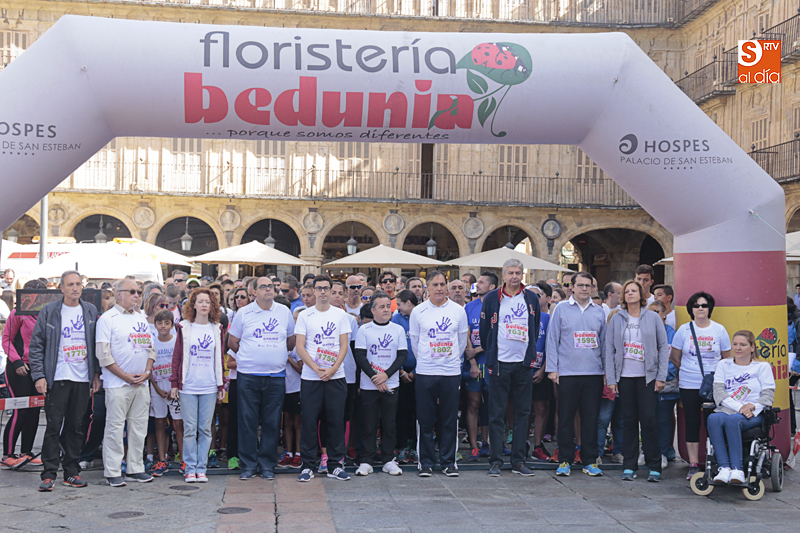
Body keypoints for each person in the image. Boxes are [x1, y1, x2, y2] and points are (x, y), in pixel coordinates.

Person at [29, 271, 100, 491]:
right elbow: (36, 345)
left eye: (78, 284)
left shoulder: (90, 310)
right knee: (52, 426)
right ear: (61, 288)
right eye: (70, 284)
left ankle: (71, 472)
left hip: (81, 377)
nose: (75, 288)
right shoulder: (50, 311)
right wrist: (39, 375)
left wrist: (95, 374)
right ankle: (48, 474)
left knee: (76, 427)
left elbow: (96, 344)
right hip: (57, 377)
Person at [228, 277, 295, 480]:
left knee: (272, 422)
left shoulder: (284, 312)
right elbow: (232, 342)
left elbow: (291, 340)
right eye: (263, 287)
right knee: (247, 421)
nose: (268, 289)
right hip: (248, 375)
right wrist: (250, 357)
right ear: (254, 292)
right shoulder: (244, 312)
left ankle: (267, 465)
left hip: (276, 375)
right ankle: (248, 465)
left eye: (270, 286)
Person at [480, 259, 540, 477]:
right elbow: (485, 328)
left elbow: (534, 327)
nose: (515, 276)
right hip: (499, 364)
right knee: (496, 413)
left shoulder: (531, 298)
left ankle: (518, 461)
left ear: (523, 275)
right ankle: (496, 461)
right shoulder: (492, 298)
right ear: (503, 275)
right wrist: (492, 354)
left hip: (523, 364)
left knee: (523, 412)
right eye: (511, 273)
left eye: (518, 272)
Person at [605, 280, 669, 482]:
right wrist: (611, 379)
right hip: (625, 377)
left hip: (647, 378)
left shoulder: (652, 317)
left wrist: (661, 377)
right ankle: (629, 465)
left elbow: (663, 347)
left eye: (634, 291)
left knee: (648, 421)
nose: (631, 294)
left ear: (641, 294)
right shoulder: (617, 318)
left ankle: (654, 466)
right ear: (622, 296)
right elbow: (609, 349)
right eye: (627, 291)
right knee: (628, 421)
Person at [97, 278, 156, 487]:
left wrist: (147, 371)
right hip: (117, 384)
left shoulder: (141, 317)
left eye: (139, 292)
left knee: (139, 427)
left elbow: (150, 348)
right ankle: (112, 470)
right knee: (114, 428)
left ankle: (135, 467)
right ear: (118, 293)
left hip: (140, 382)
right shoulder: (107, 318)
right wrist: (124, 376)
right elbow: (103, 355)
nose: (137, 295)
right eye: (132, 291)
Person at [546, 271, 606, 477]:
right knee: (565, 417)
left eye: (587, 286)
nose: (584, 289)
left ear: (592, 288)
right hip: (567, 373)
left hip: (593, 372)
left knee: (591, 418)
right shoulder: (561, 309)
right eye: (580, 285)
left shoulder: (599, 312)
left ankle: (590, 460)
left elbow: (604, 343)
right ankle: (564, 459)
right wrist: (552, 369)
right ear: (572, 287)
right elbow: (552, 340)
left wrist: (607, 371)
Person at [410, 270, 469, 477]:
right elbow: (415, 342)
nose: (439, 288)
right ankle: (425, 463)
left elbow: (462, 341)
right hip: (426, 371)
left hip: (450, 372)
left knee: (449, 419)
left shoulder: (458, 311)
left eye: (442, 284)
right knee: (425, 420)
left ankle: (448, 462)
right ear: (427, 287)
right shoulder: (418, 312)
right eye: (434, 284)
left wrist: (451, 359)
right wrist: (426, 360)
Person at [295, 275, 352, 482]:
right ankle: (308, 465)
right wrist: (316, 369)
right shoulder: (305, 315)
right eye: (319, 288)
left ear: (330, 290)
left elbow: (344, 345)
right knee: (310, 421)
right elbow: (300, 347)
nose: (322, 292)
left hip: (336, 377)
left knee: (335, 421)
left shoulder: (340, 315)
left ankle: (335, 464)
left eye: (326, 288)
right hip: (311, 377)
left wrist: (334, 368)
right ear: (313, 290)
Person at [670, 291, 731, 480]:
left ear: (709, 308)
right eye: (696, 305)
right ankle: (693, 463)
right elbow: (674, 356)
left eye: (704, 305)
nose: (700, 309)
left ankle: (717, 461)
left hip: (713, 385)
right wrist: (688, 369)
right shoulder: (684, 330)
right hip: (689, 384)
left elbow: (727, 358)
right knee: (692, 423)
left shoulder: (719, 330)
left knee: (713, 423)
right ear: (691, 309)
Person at [168, 288, 226, 483]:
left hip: (209, 385)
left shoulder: (217, 328)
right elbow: (177, 358)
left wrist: (220, 386)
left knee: (206, 429)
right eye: (200, 301)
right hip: (188, 386)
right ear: (193, 304)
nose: (203, 305)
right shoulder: (184, 327)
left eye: (207, 302)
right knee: (189, 428)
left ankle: (202, 468)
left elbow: (220, 359)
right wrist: (174, 383)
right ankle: (189, 468)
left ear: (212, 306)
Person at [707, 330, 775, 484]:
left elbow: (768, 394)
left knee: (733, 421)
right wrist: (740, 407)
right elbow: (719, 393)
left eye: (743, 345)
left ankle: (737, 469)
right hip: (729, 409)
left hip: (754, 413)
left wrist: (753, 406)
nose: (738, 348)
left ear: (752, 347)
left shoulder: (762, 367)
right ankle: (724, 468)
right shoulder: (724, 364)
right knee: (713, 418)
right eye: (735, 344)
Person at [353, 290, 407, 476]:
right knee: (368, 423)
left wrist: (386, 375)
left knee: (389, 423)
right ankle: (366, 459)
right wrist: (375, 377)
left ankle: (388, 459)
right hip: (369, 385)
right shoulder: (364, 330)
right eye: (382, 307)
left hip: (391, 384)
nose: (386, 310)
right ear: (373, 310)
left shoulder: (397, 329)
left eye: (388, 306)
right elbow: (360, 356)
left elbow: (402, 356)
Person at [1, 279, 46, 469]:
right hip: (19, 367)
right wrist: (17, 360)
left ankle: (27, 452)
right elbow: (6, 339)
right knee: (20, 409)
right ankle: (8, 454)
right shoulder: (16, 313)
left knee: (35, 409)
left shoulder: (47, 314)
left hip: (38, 368)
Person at [463, 271, 497, 461]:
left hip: (492, 363)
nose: (478, 284)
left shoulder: (498, 306)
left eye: (482, 282)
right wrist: (473, 360)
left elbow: (498, 335)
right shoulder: (469, 307)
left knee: (493, 405)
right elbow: (466, 334)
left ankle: (488, 443)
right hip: (474, 364)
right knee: (473, 404)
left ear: (491, 287)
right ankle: (474, 446)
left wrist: (479, 349)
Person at [148, 309, 182, 477]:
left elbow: (180, 366)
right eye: (160, 323)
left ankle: (184, 459)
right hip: (158, 389)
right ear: (155, 325)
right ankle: (161, 460)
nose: (163, 326)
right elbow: (149, 369)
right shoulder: (152, 343)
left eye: (166, 323)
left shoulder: (176, 341)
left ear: (171, 325)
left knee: (178, 424)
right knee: (159, 423)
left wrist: (173, 387)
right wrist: (157, 388)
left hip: (174, 389)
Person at [650, 300, 679, 467]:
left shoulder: (672, 334)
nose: (653, 315)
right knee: (648, 419)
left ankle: (662, 452)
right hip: (648, 384)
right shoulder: (644, 332)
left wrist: (663, 376)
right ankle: (648, 450)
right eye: (650, 312)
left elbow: (674, 359)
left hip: (667, 385)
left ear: (664, 314)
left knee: (663, 419)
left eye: (657, 312)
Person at [392, 289, 418, 464]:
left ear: (408, 302)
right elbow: (393, 346)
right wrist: (401, 371)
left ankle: (415, 447)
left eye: (399, 304)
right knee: (401, 412)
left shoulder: (422, 316)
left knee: (417, 413)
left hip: (420, 372)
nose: (397, 308)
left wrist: (415, 372)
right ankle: (402, 447)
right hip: (400, 373)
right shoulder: (396, 319)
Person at [530, 282, 554, 461]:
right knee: (518, 408)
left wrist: (543, 369)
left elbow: (551, 346)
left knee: (541, 407)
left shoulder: (547, 318)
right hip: (519, 372)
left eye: (536, 296)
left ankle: (537, 445)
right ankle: (520, 443)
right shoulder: (515, 317)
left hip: (540, 371)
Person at [277, 312, 303, 469]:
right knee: (286, 421)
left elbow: (301, 369)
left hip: (296, 388)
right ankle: (289, 452)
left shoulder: (298, 346)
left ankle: (298, 453)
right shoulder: (281, 342)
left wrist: (288, 358)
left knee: (297, 422)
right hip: (282, 388)